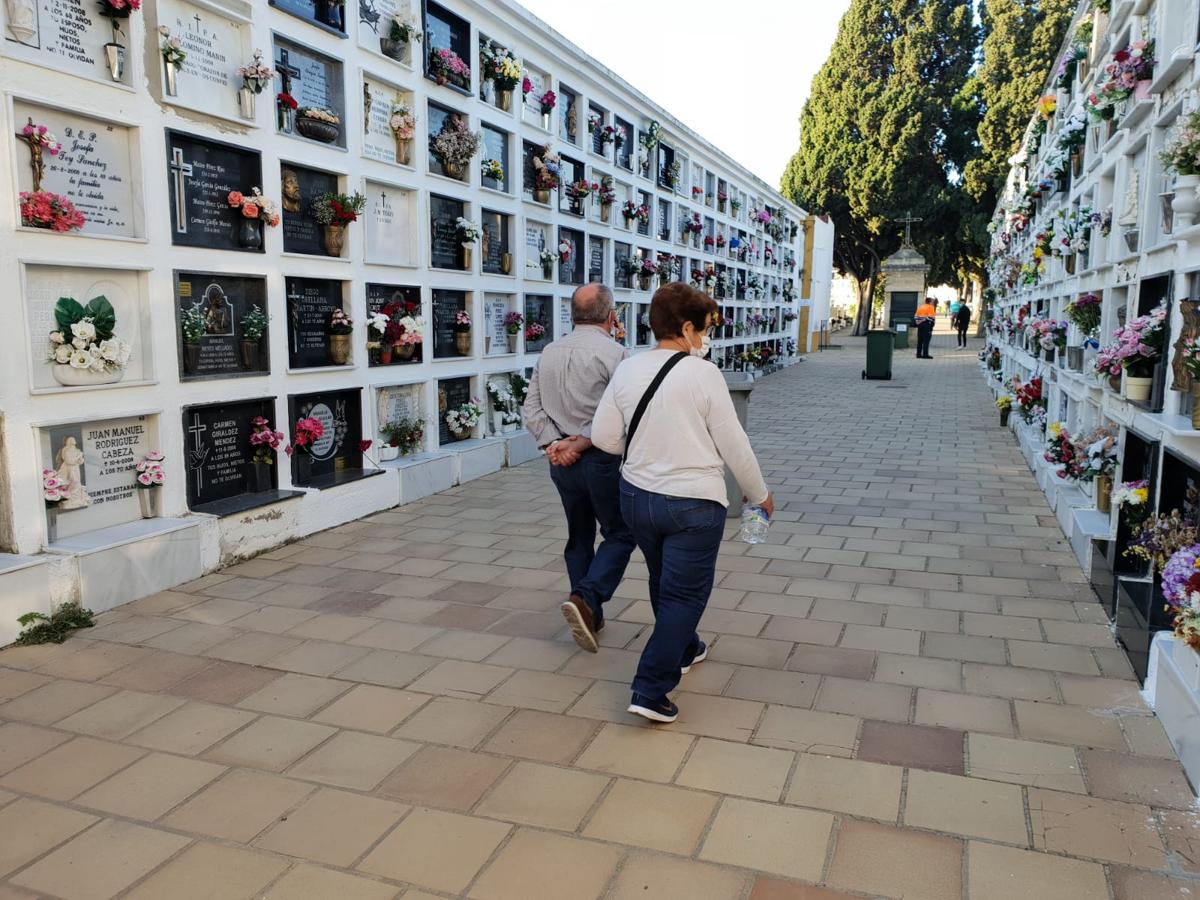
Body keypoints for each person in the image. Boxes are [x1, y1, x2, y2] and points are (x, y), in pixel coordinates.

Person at [591, 283, 773, 723]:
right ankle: (651, 689)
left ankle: (687, 646)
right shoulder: (703, 374)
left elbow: (603, 438)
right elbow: (734, 442)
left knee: (664, 581)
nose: (707, 339)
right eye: (705, 329)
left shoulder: (628, 369)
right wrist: (759, 492)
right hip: (693, 505)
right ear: (687, 327)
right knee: (684, 595)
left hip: (637, 498)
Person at [522, 283, 636, 653]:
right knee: (620, 533)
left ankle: (591, 615)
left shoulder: (549, 352)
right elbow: (617, 412)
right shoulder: (617, 355)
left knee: (579, 535)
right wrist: (581, 442)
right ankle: (587, 598)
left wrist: (555, 444)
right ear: (610, 314)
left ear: (573, 313)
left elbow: (532, 409)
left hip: (561, 464)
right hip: (601, 460)